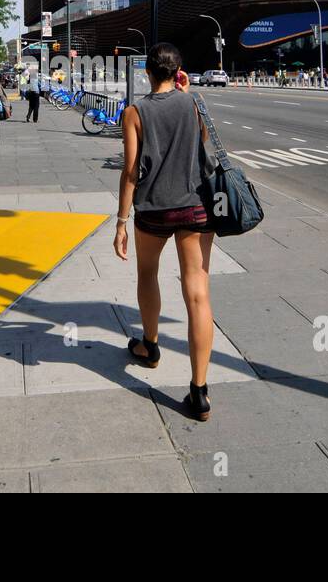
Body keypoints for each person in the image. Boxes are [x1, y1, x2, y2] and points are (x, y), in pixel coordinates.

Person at [113, 43, 215, 421]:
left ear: (147, 73)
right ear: (178, 72)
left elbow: (131, 171)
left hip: (154, 208)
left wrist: (121, 222)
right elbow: (202, 141)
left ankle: (150, 346)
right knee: (198, 293)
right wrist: (187, 94)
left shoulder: (134, 112)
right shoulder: (194, 103)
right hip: (195, 206)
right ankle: (199, 391)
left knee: (147, 274)